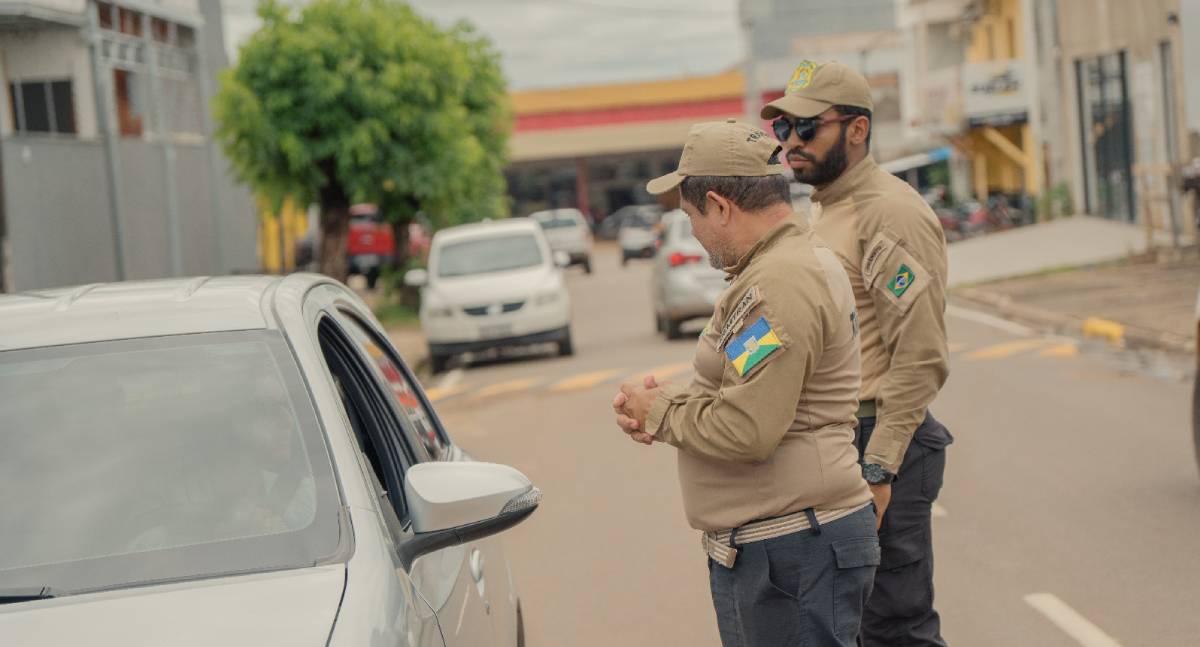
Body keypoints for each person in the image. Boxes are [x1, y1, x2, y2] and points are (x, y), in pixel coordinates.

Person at [612, 119, 879, 647]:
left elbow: (749, 427)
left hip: (794, 549)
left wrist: (660, 413)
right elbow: (749, 387)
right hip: (788, 546)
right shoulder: (781, 268)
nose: (692, 231)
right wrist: (665, 402)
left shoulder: (780, 282)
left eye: (690, 216)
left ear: (719, 205)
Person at [761, 60, 954, 646]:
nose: (791, 143)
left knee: (897, 625)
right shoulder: (823, 209)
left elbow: (920, 354)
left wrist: (879, 466)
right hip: (839, 443)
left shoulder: (888, 212)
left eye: (806, 128)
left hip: (880, 444)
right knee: (855, 625)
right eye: (782, 131)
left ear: (857, 129)